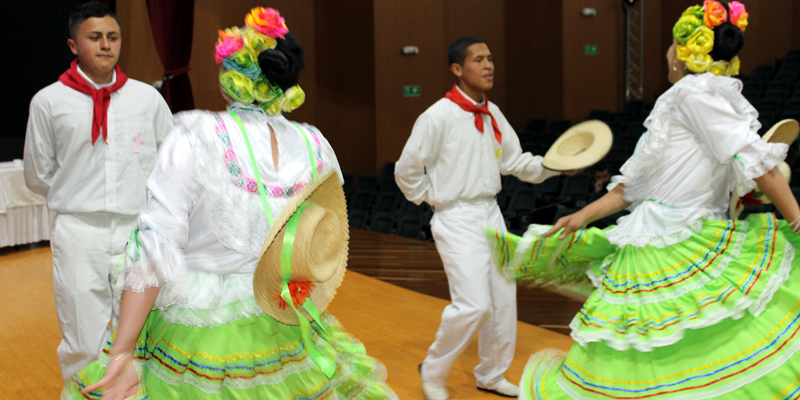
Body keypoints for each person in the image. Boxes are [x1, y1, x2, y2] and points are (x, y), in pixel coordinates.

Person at [60, 7, 397, 399]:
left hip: (202, 322)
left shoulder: (196, 134)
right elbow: (324, 229)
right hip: (281, 311)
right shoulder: (314, 143)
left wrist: (122, 350)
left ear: (231, 76)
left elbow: (155, 245)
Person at [490, 2, 800, 399]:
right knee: (668, 346)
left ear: (683, 51)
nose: (667, 51)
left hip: (677, 238)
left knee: (648, 349)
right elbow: (631, 188)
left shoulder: (695, 92)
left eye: (672, 43)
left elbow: (761, 165)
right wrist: (581, 216)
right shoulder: (692, 98)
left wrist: (795, 220)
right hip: (659, 236)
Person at [395, 36, 571, 400]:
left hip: (491, 214)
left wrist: (556, 166)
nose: (489, 65)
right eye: (479, 60)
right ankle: (433, 369)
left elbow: (515, 162)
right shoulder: (436, 115)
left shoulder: (492, 113)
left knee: (503, 302)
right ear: (458, 69)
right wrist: (430, 196)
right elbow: (406, 170)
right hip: (455, 217)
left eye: (490, 58)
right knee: (473, 304)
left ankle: (491, 374)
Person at [23, 1, 172, 382]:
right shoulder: (48, 101)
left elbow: (168, 164)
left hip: (137, 231)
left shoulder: (147, 99)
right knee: (82, 336)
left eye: (113, 37)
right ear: (74, 45)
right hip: (78, 231)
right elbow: (38, 173)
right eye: (95, 37)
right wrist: (77, 194)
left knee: (139, 334)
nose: (106, 45)